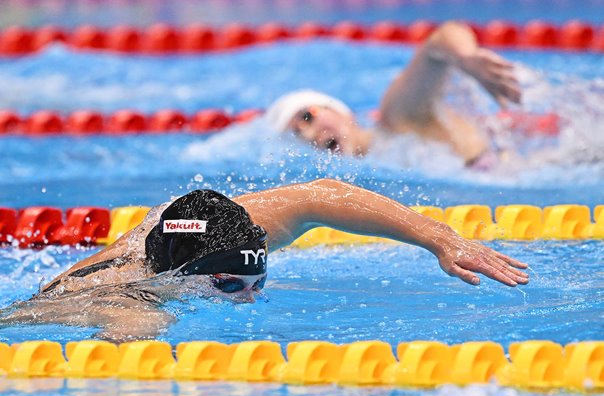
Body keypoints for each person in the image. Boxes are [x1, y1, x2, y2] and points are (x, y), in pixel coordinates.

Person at [0, 179, 528, 341]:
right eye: (232, 287)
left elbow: (324, 194)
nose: (251, 299)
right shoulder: (130, 300)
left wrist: (441, 239)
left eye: (258, 280)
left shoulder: (220, 229)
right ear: (181, 275)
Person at [265, 21, 521, 168]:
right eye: (296, 134)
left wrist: (467, 58)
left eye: (308, 116)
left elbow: (439, 40)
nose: (310, 134)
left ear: (339, 110)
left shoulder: (397, 117)